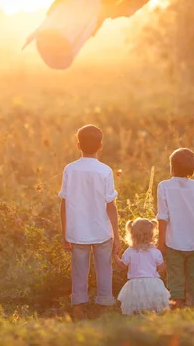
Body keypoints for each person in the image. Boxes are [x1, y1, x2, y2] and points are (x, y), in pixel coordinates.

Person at [59, 124, 120, 320]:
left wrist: (64, 232)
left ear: (78, 145)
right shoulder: (105, 171)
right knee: (104, 270)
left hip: (77, 231)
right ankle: (104, 309)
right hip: (102, 230)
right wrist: (116, 236)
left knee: (79, 271)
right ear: (100, 145)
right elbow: (111, 206)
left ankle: (78, 310)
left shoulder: (70, 169)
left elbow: (64, 203)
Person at [157, 148, 194, 309]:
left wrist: (161, 245)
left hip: (173, 243)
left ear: (172, 167)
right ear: (193, 169)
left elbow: (162, 217)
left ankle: (176, 309)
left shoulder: (164, 186)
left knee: (175, 280)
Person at [114, 218, 170, 315]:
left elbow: (122, 266)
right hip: (153, 283)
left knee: (135, 308)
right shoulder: (155, 251)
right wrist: (167, 260)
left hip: (135, 284)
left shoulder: (130, 251)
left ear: (132, 234)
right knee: (154, 307)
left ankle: (137, 322)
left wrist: (115, 256)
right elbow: (161, 268)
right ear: (152, 234)